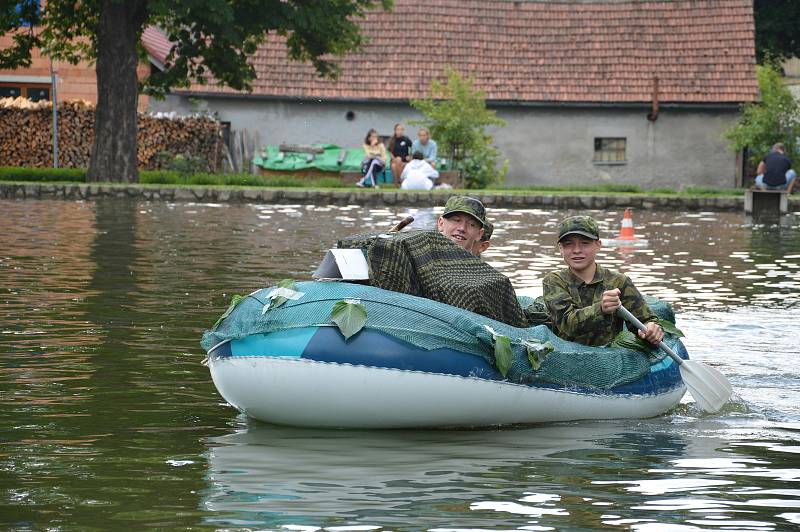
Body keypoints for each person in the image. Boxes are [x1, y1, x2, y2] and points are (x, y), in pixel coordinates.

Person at [542, 215, 663, 347]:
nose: (576, 250)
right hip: (567, 358)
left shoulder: (619, 281)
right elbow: (567, 324)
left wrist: (650, 329)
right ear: (560, 248)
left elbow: (644, 321)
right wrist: (601, 309)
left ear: (598, 245)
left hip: (610, 358)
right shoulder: (554, 281)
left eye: (585, 243)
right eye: (568, 244)